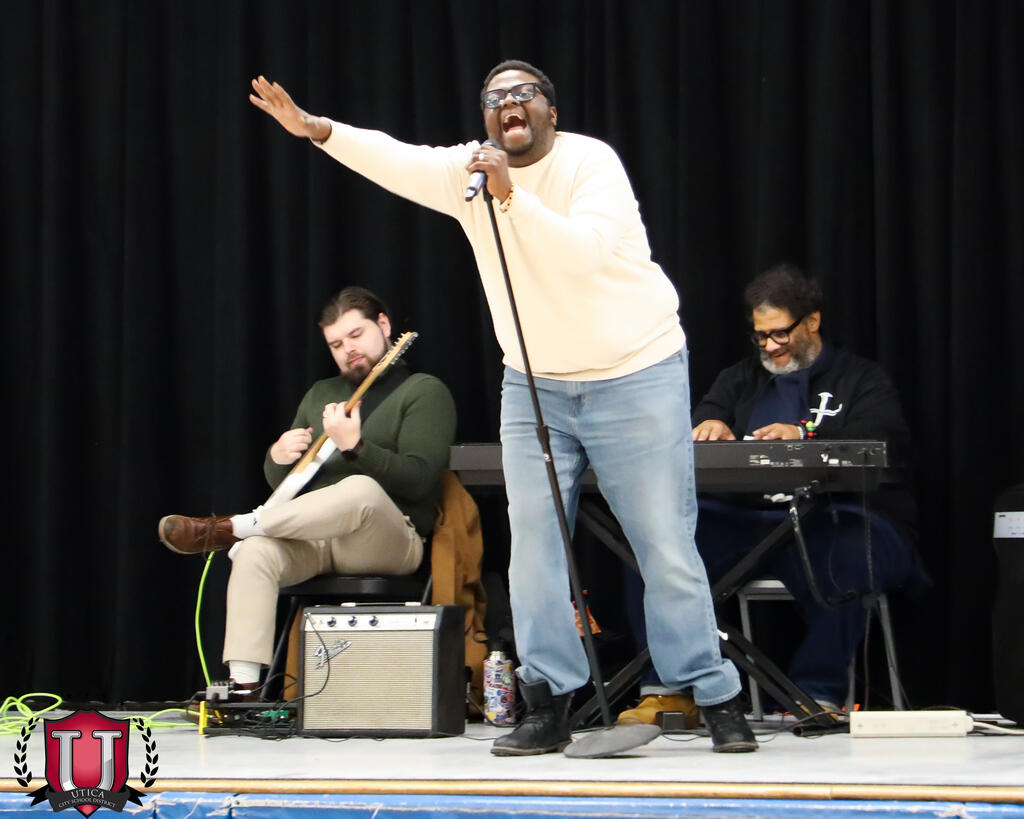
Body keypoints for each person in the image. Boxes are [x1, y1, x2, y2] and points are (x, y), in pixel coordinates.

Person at [248, 59, 756, 754]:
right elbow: (395, 157)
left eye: (524, 93)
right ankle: (550, 701)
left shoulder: (589, 164)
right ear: (487, 117)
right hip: (535, 384)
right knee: (536, 548)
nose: (509, 103)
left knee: (663, 542)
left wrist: (511, 195)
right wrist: (319, 130)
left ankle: (713, 693)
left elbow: (582, 254)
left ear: (550, 111)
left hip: (635, 371)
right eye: (495, 97)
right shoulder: (470, 174)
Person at [621, 263, 929, 722]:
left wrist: (802, 436)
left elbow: (878, 439)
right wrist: (709, 425)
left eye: (780, 333)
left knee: (849, 555)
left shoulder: (861, 379)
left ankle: (815, 693)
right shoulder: (738, 379)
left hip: (832, 516)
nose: (769, 346)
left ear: (813, 321)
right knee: (658, 548)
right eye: (761, 336)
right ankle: (669, 689)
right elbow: (706, 416)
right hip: (748, 520)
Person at [158, 286, 457, 698]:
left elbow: (419, 479)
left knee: (360, 488)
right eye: (336, 344)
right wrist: (277, 456)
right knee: (256, 553)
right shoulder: (321, 393)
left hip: (389, 539)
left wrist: (356, 447)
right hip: (317, 540)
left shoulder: (424, 391)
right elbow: (287, 485)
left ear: (384, 325)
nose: (348, 349)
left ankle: (234, 527)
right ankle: (244, 688)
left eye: (356, 335)